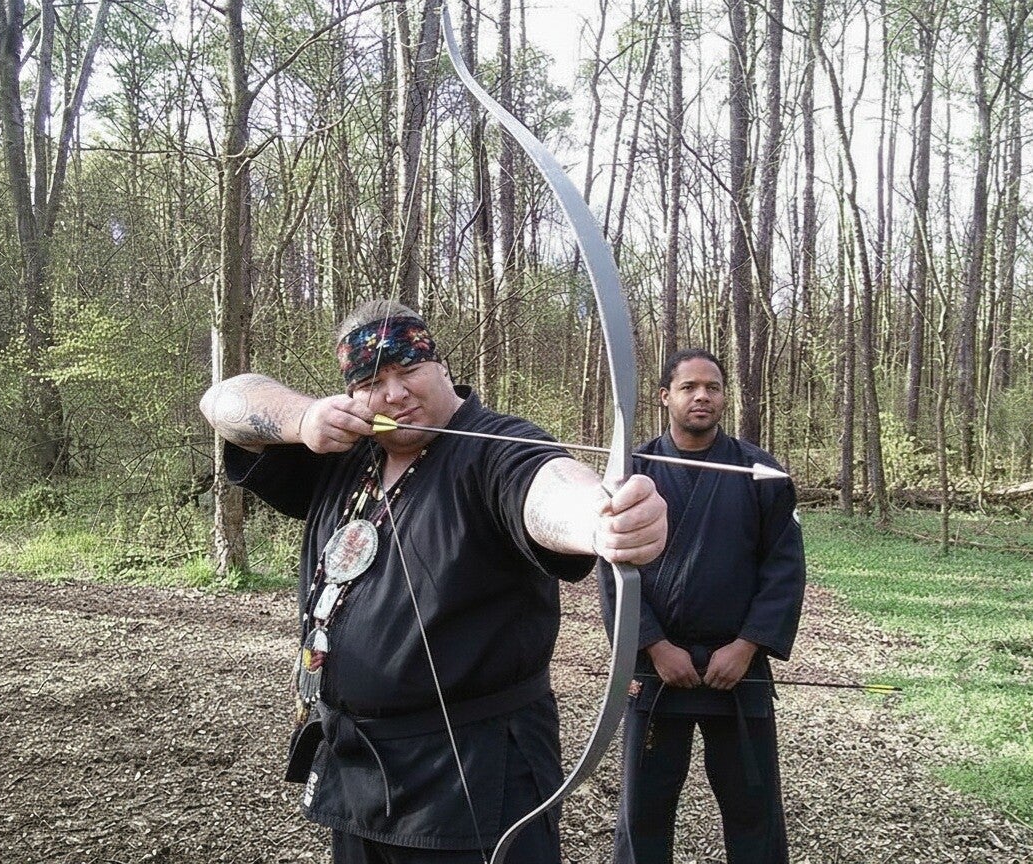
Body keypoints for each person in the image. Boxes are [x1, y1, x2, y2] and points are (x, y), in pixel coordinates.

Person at [199, 299, 669, 864]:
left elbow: (545, 484)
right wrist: (303, 421)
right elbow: (222, 399)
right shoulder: (344, 451)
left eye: (409, 371)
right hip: (358, 774)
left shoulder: (494, 446)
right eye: (372, 381)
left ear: (441, 367)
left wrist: (602, 520)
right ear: (351, 396)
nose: (394, 394)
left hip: (474, 781)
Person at [601, 348, 806, 864]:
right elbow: (613, 567)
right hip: (657, 670)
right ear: (665, 396)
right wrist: (651, 644)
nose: (702, 397)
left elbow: (783, 567)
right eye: (689, 387)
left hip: (737, 669)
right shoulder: (633, 471)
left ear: (723, 396)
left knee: (753, 807)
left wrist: (746, 645)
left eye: (712, 387)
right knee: (644, 809)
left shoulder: (760, 471)